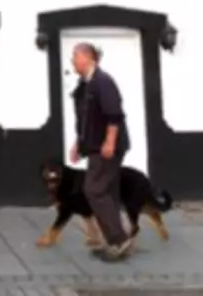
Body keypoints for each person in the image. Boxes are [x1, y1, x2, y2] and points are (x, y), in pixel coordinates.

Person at [69, 42, 133, 261]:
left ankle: (119, 238)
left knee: (94, 189)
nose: (72, 61)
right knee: (108, 191)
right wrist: (79, 143)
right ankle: (115, 240)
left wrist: (110, 142)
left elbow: (115, 115)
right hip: (95, 145)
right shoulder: (86, 84)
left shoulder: (103, 82)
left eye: (75, 57)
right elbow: (85, 119)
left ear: (88, 58)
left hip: (107, 147)